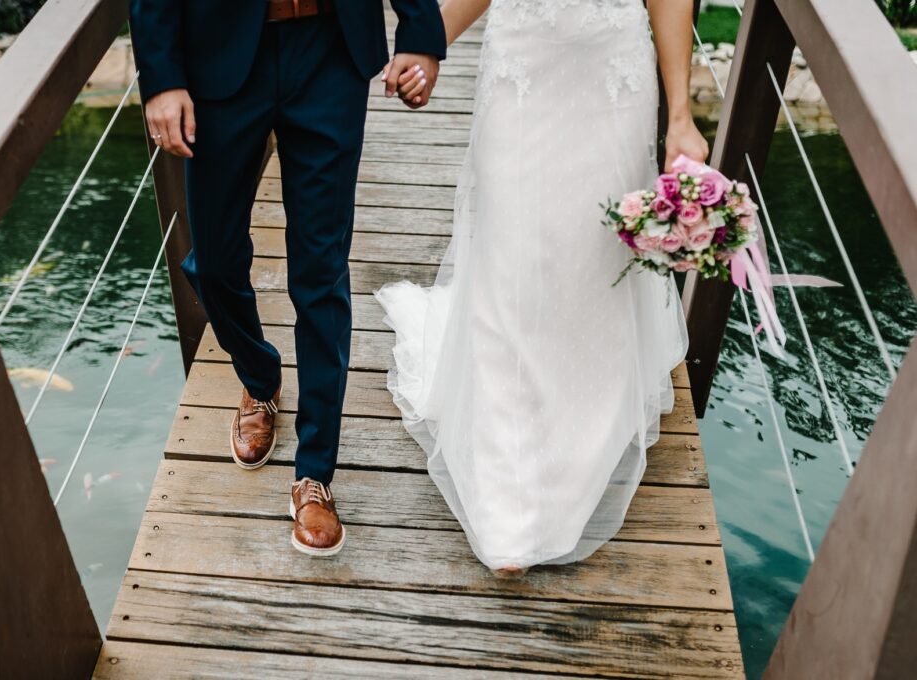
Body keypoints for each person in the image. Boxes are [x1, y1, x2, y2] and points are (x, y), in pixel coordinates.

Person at [375, 0, 705, 573]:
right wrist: (430, 41)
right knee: (509, 259)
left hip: (612, 76)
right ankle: (509, 498)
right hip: (523, 70)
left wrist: (680, 112)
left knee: (593, 266)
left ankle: (579, 443)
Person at [129, 0, 446, 556]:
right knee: (216, 262)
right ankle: (260, 377)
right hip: (219, 60)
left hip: (332, 48)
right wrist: (161, 75)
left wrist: (421, 31)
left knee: (321, 273)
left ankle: (315, 474)